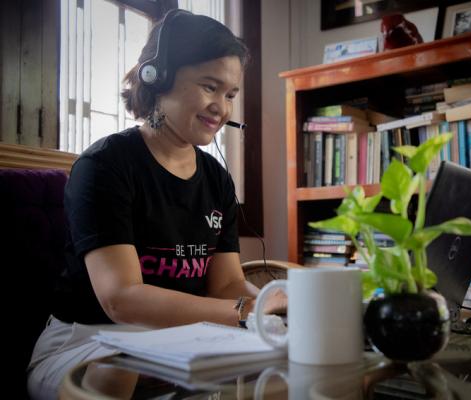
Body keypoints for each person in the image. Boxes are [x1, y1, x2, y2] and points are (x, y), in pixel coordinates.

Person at [27, 10, 285, 399]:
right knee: (120, 370)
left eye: (230, 94)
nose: (222, 107)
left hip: (179, 343)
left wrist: (275, 308)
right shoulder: (105, 166)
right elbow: (122, 300)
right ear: (157, 77)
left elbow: (227, 284)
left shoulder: (216, 179)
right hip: (88, 344)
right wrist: (246, 313)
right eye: (210, 87)